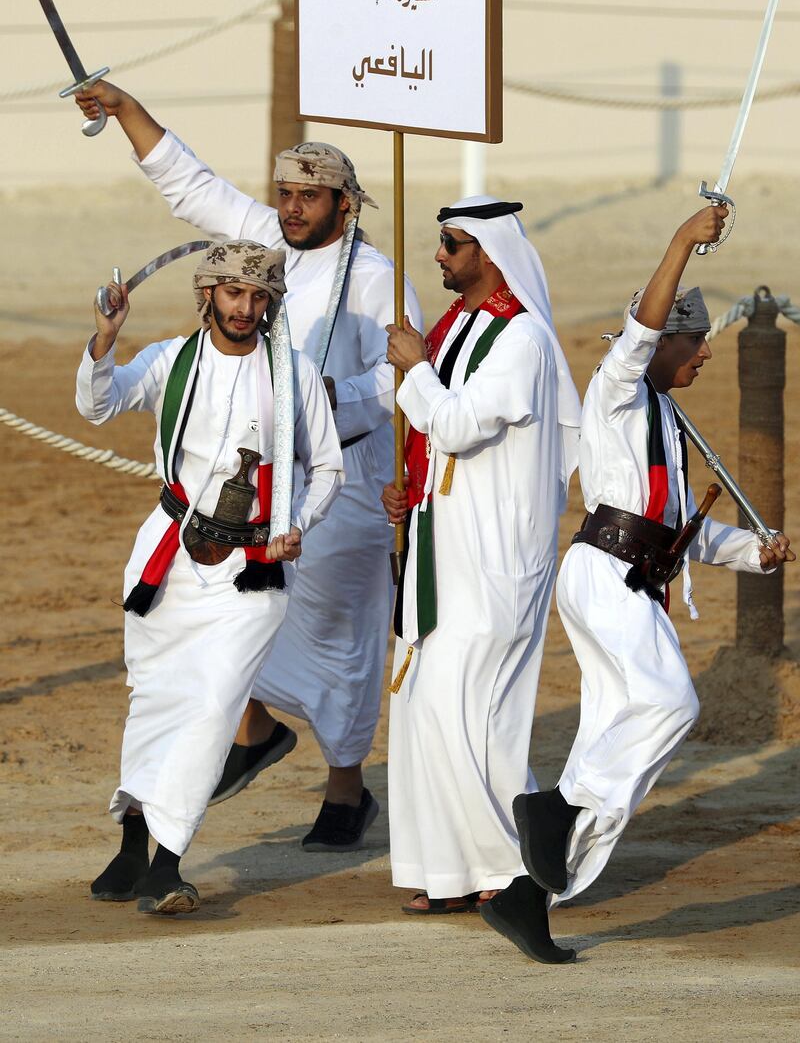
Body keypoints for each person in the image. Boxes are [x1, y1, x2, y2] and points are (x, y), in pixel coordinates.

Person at [74, 79, 422, 851]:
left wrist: (335, 396)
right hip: (263, 477)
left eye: (310, 196)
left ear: (344, 203)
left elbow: (407, 375)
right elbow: (188, 184)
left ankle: (345, 787)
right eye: (285, 193)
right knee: (233, 611)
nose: (292, 208)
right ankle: (256, 727)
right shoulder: (262, 237)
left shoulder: (377, 278)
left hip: (349, 478)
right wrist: (126, 109)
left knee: (340, 635)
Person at [506, 205, 794, 962]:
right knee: (672, 701)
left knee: (615, 739)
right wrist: (680, 243)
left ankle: (530, 896)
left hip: (638, 583)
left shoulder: (666, 416)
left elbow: (674, 528)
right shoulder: (618, 388)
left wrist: (751, 554)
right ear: (666, 340)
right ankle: (556, 809)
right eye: (696, 343)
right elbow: (638, 332)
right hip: (601, 574)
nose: (704, 356)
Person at [76, 241, 343, 914]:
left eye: (258, 297)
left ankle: (168, 862)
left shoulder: (295, 374)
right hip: (167, 560)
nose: (245, 309)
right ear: (209, 296)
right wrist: (105, 338)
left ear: (270, 303)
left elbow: (329, 468)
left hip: (253, 572)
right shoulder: (171, 361)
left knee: (212, 705)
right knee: (156, 699)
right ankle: (134, 842)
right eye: (233, 294)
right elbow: (97, 407)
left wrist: (299, 523)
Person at [380, 197, 581, 956]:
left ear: (489, 253)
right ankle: (452, 871)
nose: (439, 256)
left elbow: (461, 422)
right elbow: (435, 435)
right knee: (427, 707)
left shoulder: (522, 336)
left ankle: (512, 869)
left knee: (471, 708)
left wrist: (414, 371)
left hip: (496, 555)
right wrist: (408, 483)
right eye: (440, 243)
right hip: (440, 544)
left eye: (451, 244)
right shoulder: (458, 325)